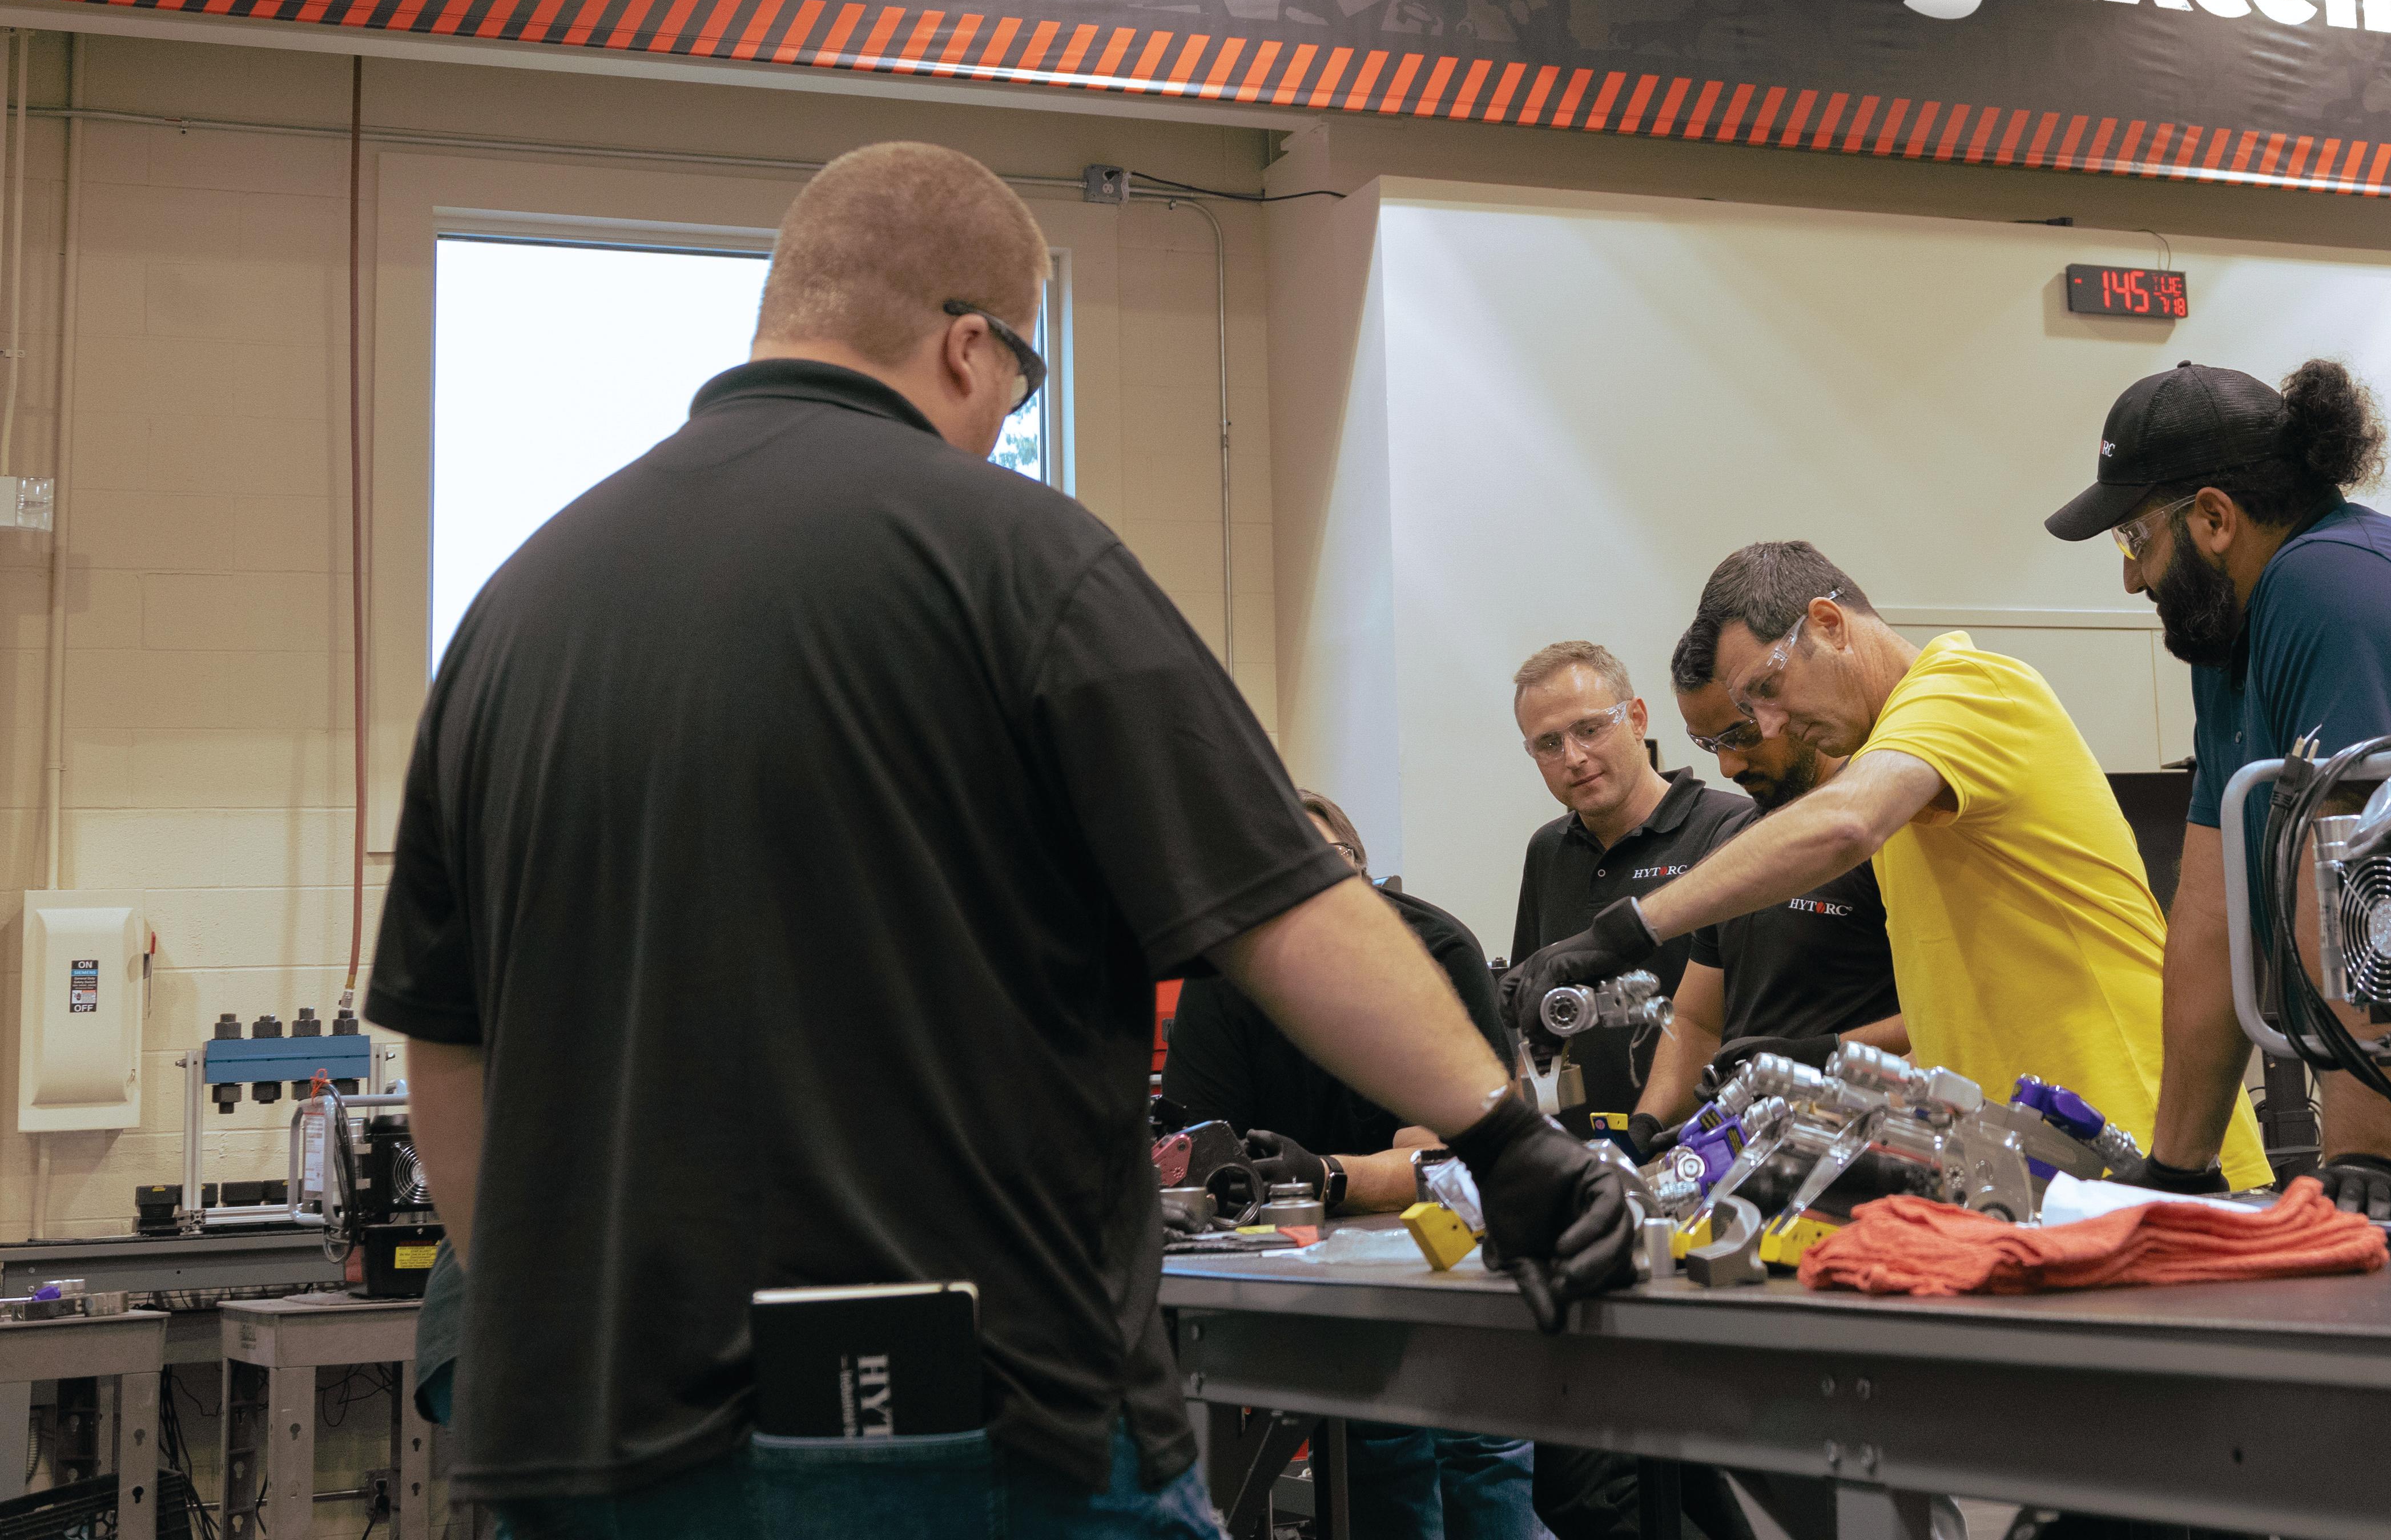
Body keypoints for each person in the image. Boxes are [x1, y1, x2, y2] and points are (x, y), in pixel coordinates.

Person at [367, 141, 1629, 1539]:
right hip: (962, 1430)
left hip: (594, 1447)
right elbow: (1287, 906)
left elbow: (450, 1049)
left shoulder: (517, 607)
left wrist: (570, 1328)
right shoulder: (1020, 557)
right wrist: (1507, 1137)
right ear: (970, 347)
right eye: (1021, 382)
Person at [1507, 544, 2265, 1190]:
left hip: (2153, 1151)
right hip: (2036, 1175)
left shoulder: (1970, 689)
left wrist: (1625, 932)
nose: (1768, 726)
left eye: (1767, 690)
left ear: (1829, 625)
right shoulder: (1895, 767)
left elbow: (1842, 825)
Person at [2044, 359, 2391, 1217]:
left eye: (2135, 540)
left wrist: (2362, 1158)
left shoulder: (2331, 587)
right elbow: (2209, 910)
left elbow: (2357, 880)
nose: (2130, 577)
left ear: (2213, 518)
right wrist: (2179, 1169)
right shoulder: (2230, 633)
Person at [1164, 795, 1547, 1540]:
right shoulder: (1222, 976)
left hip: (1444, 1250)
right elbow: (1202, 1162)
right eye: (1274, 869)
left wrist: (1327, 1175)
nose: (1302, 886)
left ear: (1361, 867)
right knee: (1378, 1455)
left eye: (1326, 863)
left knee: (1480, 1447)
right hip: (1307, 1263)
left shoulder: (1434, 949)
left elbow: (1448, 1161)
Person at [1634, 626, 1909, 1124]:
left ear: (1781, 704)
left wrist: (1822, 1053)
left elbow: (1946, 1015)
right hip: (1752, 1151)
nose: (1727, 765)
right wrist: (1645, 1128)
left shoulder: (1888, 829)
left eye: (1739, 736)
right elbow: (1697, 1022)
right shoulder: (1735, 843)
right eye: (1707, 743)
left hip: (1864, 1144)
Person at [1505, 642, 1751, 1110]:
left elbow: (1718, 1020)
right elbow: (1532, 1026)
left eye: (1590, 729)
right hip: (1578, 1150)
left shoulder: (1731, 829)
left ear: (1637, 720)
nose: (1573, 757)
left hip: (1694, 1145)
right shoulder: (1547, 850)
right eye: (1549, 744)